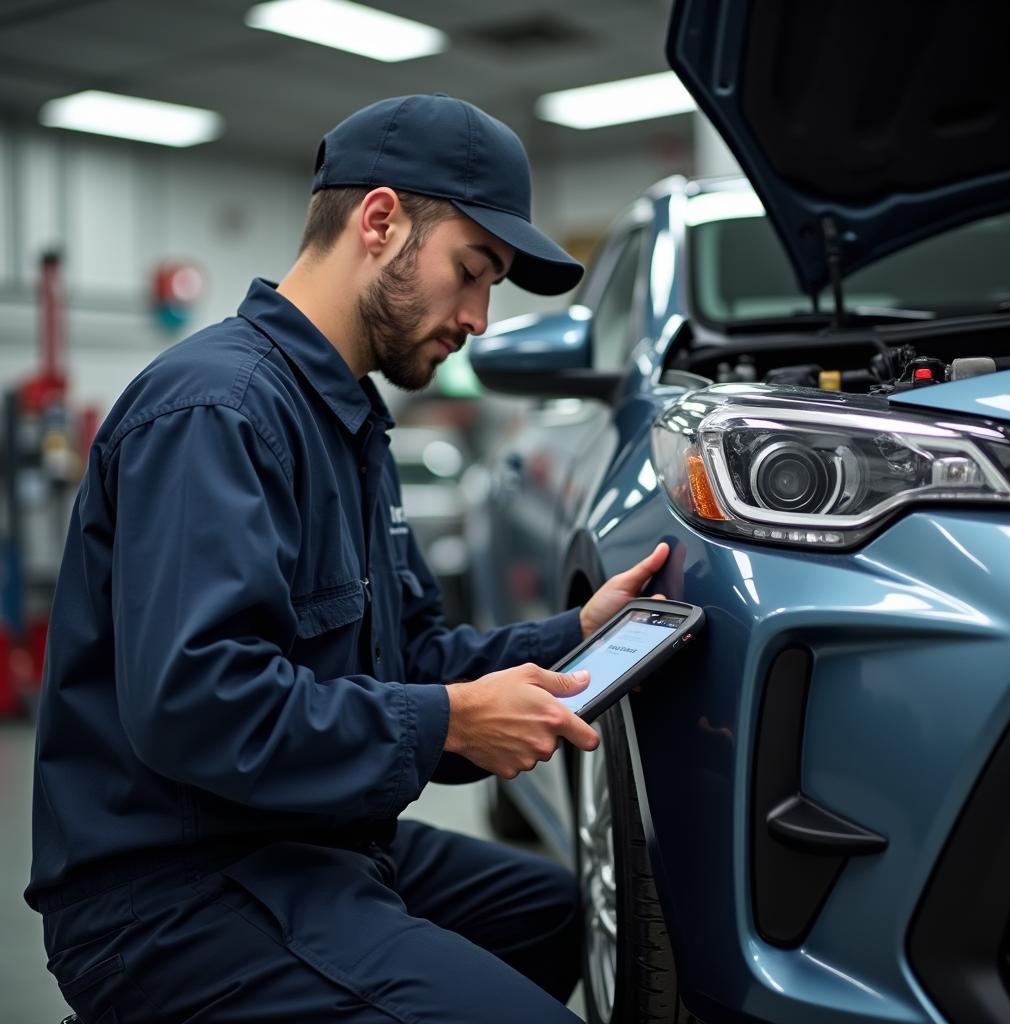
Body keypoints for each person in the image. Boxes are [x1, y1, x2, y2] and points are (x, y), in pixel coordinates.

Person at [27, 94, 670, 1024]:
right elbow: (199, 706)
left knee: (548, 912)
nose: (481, 318)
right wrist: (445, 723)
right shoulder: (220, 412)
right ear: (380, 221)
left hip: (310, 840)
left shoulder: (350, 422)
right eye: (472, 271)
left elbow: (411, 660)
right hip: (179, 888)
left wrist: (579, 634)